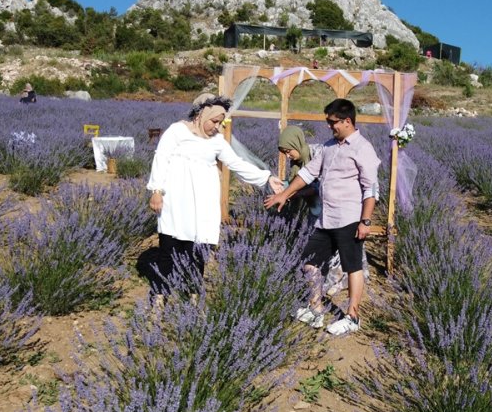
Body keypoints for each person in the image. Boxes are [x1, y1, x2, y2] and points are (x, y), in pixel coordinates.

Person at [145, 93, 284, 300]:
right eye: (214, 121)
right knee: (169, 250)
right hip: (175, 202)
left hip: (203, 204)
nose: (217, 127)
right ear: (201, 115)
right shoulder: (177, 132)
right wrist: (156, 191)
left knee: (197, 251)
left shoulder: (217, 141)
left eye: (220, 122)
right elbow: (161, 159)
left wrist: (266, 178)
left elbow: (236, 163)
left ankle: (193, 298)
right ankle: (159, 298)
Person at [265, 99, 380, 335]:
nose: (329, 126)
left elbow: (370, 188)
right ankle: (315, 309)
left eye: (332, 122)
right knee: (309, 262)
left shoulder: (363, 149)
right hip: (325, 218)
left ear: (347, 121)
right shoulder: (329, 147)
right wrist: (284, 195)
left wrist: (365, 221)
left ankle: (352, 317)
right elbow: (308, 173)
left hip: (348, 217)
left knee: (352, 266)